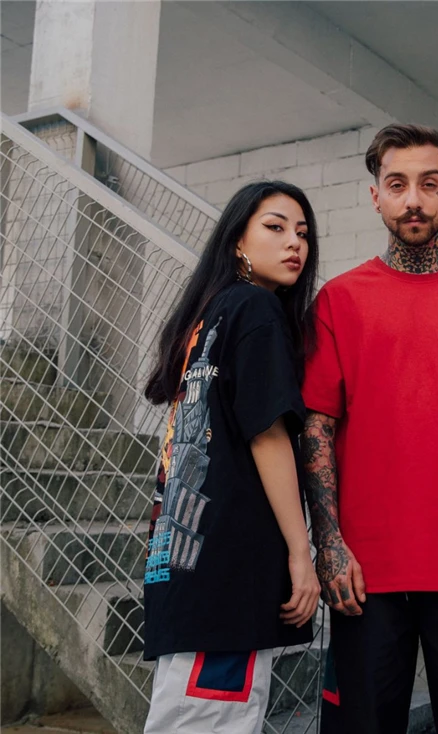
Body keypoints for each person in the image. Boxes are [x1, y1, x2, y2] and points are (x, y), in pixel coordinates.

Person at [302, 124, 438, 734]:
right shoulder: (339, 300)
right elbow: (316, 429)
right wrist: (329, 544)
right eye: (397, 185)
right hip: (365, 573)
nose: (413, 200)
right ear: (377, 197)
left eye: (429, 184)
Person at [142, 181, 321, 733]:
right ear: (237, 239)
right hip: (226, 571)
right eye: (275, 227)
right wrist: (300, 552)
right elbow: (267, 436)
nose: (294, 243)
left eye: (302, 233)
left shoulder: (208, 317)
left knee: (184, 715)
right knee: (213, 720)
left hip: (184, 563)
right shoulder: (255, 308)